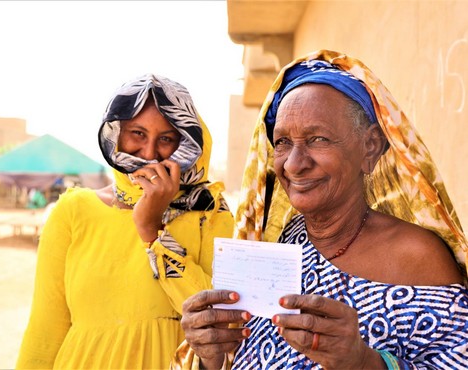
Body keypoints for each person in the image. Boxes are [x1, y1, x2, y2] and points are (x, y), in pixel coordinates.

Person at [172, 50, 468, 369]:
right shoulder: (278, 247)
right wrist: (210, 358)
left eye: (318, 139)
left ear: (370, 147)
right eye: (283, 142)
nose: (295, 164)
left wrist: (364, 362)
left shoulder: (417, 258)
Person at [15, 74, 235, 369]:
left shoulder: (209, 212)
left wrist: (152, 231)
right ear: (115, 134)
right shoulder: (73, 211)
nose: (149, 154)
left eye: (167, 139)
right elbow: (45, 330)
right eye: (137, 134)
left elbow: (215, 323)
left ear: (187, 143)